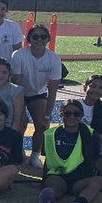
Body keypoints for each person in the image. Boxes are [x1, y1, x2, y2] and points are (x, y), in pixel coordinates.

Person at [11, 26, 63, 170]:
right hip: (19, 92)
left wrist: (48, 114)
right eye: (35, 37)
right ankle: (17, 151)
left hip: (38, 93)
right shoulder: (19, 55)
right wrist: (19, 111)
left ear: (48, 39)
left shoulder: (54, 59)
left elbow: (52, 90)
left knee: (43, 124)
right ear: (29, 39)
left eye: (43, 37)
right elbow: (16, 84)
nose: (39, 40)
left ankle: (35, 155)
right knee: (19, 122)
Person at [38, 103, 102, 203]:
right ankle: (49, 196)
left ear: (82, 116)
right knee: (54, 186)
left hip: (79, 179)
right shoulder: (49, 134)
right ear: (60, 115)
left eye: (76, 114)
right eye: (67, 114)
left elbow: (97, 160)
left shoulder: (92, 134)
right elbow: (47, 161)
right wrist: (43, 181)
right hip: (58, 177)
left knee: (99, 180)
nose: (72, 117)